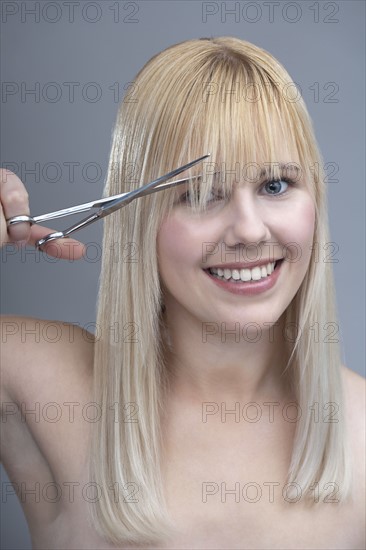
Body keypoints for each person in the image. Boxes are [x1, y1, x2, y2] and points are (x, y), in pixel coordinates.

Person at [0, 36, 364, 549]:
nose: (249, 231)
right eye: (199, 193)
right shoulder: (42, 382)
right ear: (138, 219)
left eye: (275, 185)